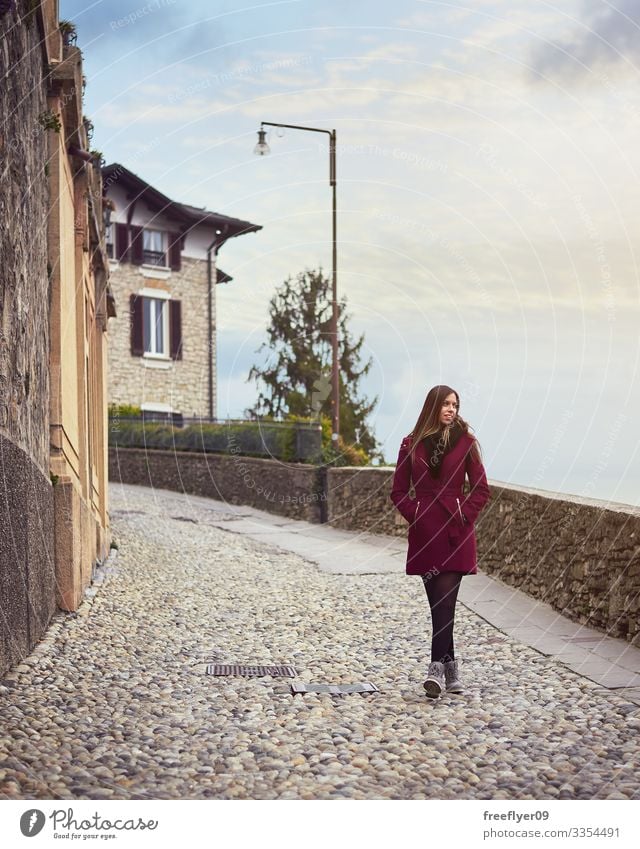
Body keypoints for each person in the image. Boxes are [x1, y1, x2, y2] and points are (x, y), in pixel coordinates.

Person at [390, 385, 491, 698]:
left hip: (454, 534)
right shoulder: (410, 444)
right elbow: (397, 491)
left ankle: (435, 668)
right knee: (439, 606)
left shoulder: (467, 444)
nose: (451, 409)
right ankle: (452, 670)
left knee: (445, 601)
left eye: (455, 404)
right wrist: (416, 513)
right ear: (432, 406)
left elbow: (482, 489)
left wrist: (463, 516)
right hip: (425, 534)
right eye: (446, 404)